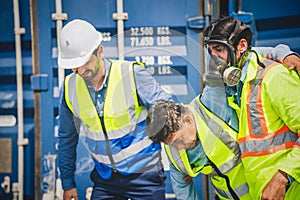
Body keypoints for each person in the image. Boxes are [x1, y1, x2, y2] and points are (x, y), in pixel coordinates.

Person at [57, 19, 173, 200]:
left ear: (100, 51)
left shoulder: (131, 75)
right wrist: (67, 183)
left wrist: (182, 164)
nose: (80, 70)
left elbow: (170, 112)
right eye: (74, 64)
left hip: (145, 176)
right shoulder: (69, 88)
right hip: (105, 181)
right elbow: (66, 139)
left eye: (84, 61)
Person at [203, 17, 300, 199]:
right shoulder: (237, 87)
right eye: (210, 51)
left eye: (219, 49)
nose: (214, 59)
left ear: (241, 46)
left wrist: (283, 177)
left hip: (289, 190)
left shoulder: (274, 76)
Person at [146, 99, 252, 199]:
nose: (179, 147)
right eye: (172, 144)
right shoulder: (175, 156)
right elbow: (185, 194)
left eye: (179, 140)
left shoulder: (210, 104)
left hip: (261, 190)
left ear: (188, 120)